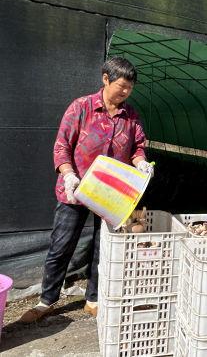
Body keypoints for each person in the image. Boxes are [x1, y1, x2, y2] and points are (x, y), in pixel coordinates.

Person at [19, 57, 154, 323]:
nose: (125, 92)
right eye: (121, 86)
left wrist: (141, 163)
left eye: (129, 87)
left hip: (111, 193)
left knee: (102, 247)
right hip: (76, 190)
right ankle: (46, 300)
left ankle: (93, 298)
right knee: (61, 245)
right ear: (105, 79)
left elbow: (138, 147)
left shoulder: (131, 115)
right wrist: (68, 175)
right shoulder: (81, 108)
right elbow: (61, 147)